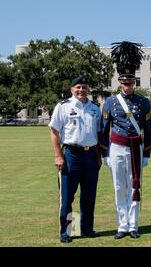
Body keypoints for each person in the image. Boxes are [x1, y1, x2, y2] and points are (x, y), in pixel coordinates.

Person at [100, 41, 151, 239]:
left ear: (134, 82)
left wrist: (146, 153)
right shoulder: (111, 102)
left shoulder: (143, 102)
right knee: (118, 187)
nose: (127, 85)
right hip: (117, 148)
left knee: (134, 186)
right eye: (124, 82)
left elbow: (147, 131)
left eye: (130, 82)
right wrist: (105, 153)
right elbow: (104, 130)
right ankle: (122, 225)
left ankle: (133, 225)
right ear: (119, 82)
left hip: (135, 149)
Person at [49, 76, 102, 243]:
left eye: (84, 87)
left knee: (89, 195)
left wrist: (98, 156)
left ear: (88, 90)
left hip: (90, 155)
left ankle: (86, 228)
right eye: (78, 87)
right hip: (71, 155)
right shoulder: (63, 106)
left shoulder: (94, 108)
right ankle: (68, 230)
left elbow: (99, 134)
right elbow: (54, 131)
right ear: (72, 89)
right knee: (68, 195)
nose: (81, 90)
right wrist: (58, 155)